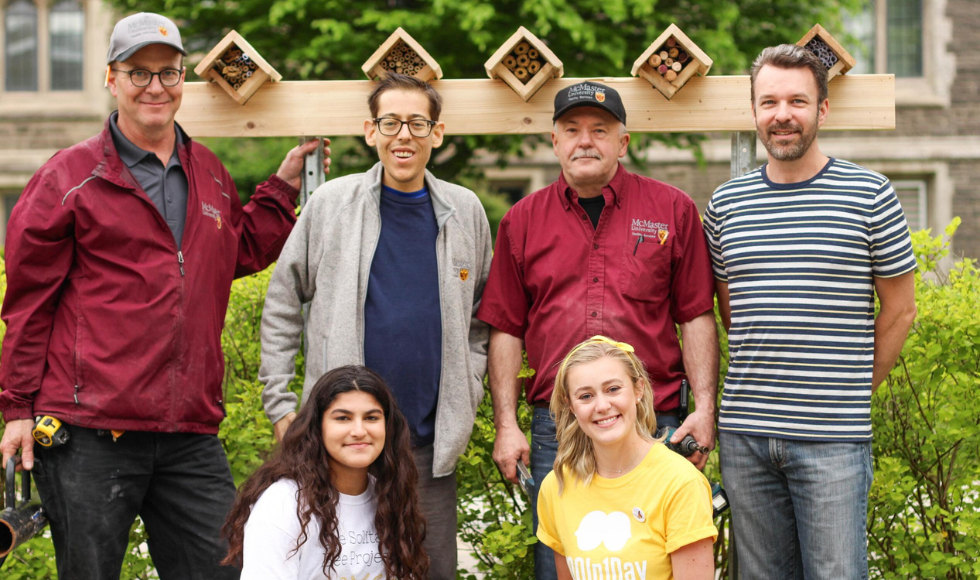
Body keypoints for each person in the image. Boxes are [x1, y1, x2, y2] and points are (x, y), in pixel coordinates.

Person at [0, 12, 329, 580]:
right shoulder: (67, 178)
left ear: (183, 81)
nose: (155, 87)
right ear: (112, 78)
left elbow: (235, 250)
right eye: (138, 73)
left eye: (168, 73)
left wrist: (280, 188)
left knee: (225, 569)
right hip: (89, 431)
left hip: (188, 432)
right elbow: (29, 302)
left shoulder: (208, 171)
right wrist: (16, 410)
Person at [476, 81, 718, 579]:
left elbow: (695, 314)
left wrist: (706, 409)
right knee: (564, 562)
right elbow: (505, 329)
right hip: (557, 426)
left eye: (600, 130)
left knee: (658, 558)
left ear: (623, 142)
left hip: (655, 421)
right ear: (554, 142)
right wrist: (506, 424)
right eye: (572, 130)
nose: (585, 141)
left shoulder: (672, 210)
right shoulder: (521, 221)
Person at [258, 72, 492, 580]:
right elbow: (281, 303)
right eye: (390, 122)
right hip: (342, 449)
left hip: (426, 450)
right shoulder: (330, 205)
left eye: (416, 123)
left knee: (431, 572)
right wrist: (280, 403)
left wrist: (466, 391)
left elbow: (480, 319)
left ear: (437, 131)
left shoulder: (465, 211)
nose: (403, 135)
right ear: (370, 131)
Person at [702, 44, 918, 579]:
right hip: (746, 437)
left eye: (797, 100)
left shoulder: (870, 195)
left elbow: (900, 309)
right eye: (769, 101)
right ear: (754, 112)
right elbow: (733, 309)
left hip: (832, 441)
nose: (782, 115)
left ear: (822, 109)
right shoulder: (726, 204)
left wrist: (851, 389)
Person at [536, 336, 716, 580]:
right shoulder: (556, 486)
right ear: (570, 406)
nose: (601, 405)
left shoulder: (681, 484)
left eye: (613, 389)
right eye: (586, 396)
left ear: (638, 389)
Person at [222, 365, 427, 580]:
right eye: (342, 418)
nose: (359, 431)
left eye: (371, 418)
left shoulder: (389, 494)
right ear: (317, 428)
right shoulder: (283, 503)